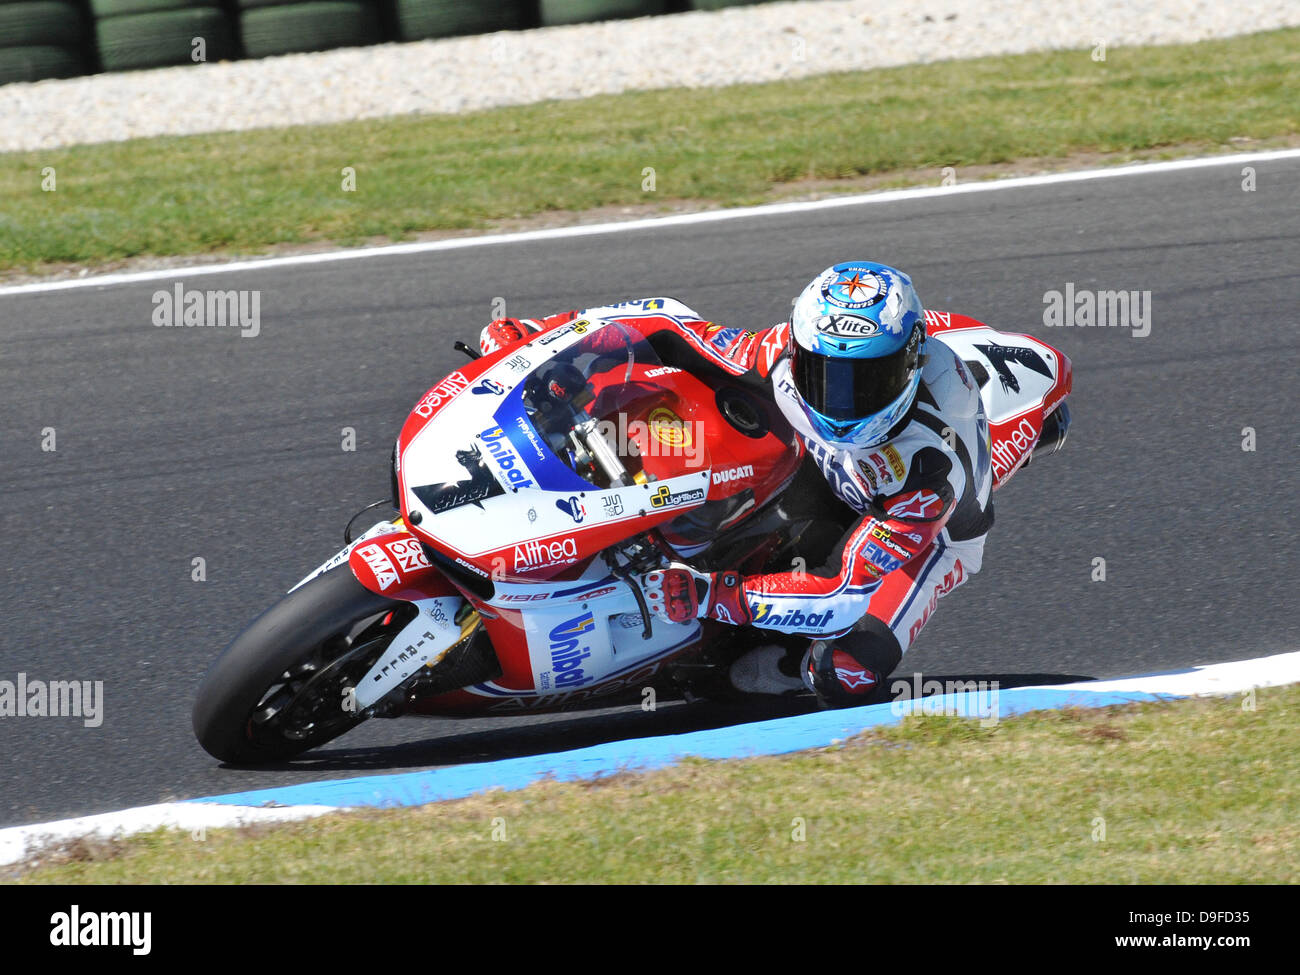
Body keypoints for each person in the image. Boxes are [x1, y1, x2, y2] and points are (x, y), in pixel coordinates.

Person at [477, 262, 993, 708]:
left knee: (840, 673)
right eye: (823, 374)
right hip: (823, 467)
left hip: (922, 541)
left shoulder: (927, 474)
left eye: (867, 382)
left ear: (908, 367)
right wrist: (541, 337)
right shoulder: (783, 355)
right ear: (800, 351)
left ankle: (750, 661)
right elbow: (665, 322)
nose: (840, 400)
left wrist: (710, 595)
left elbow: (842, 591)